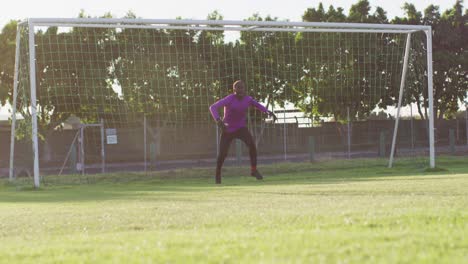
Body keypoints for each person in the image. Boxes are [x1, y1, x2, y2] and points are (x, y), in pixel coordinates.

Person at [209, 80, 277, 184]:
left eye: (242, 88)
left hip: (241, 128)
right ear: (234, 89)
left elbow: (258, 105)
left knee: (252, 146)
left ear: (244, 89)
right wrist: (218, 121)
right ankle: (217, 175)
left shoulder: (247, 99)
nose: (241, 90)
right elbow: (212, 107)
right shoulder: (229, 99)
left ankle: (254, 170)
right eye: (238, 88)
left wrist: (268, 112)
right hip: (227, 129)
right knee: (222, 153)